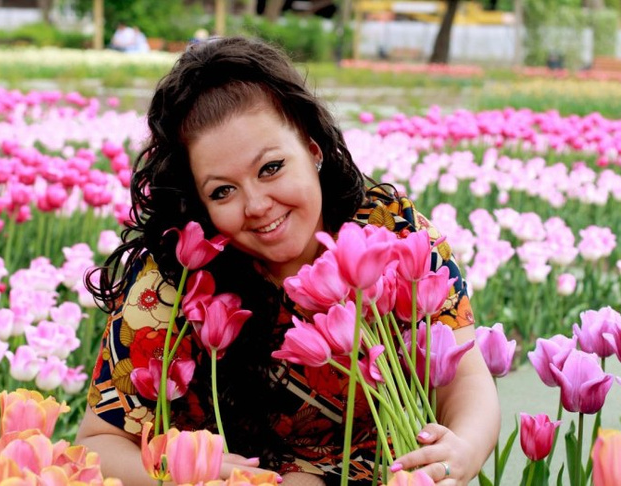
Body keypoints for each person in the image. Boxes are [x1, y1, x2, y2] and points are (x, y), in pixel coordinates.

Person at [76, 36, 500, 486]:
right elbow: (97, 444)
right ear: (199, 202)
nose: (257, 205)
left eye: (271, 167)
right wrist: (184, 472)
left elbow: (464, 379)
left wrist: (463, 450)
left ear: (313, 149)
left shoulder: (391, 234)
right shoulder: (176, 280)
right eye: (222, 191)